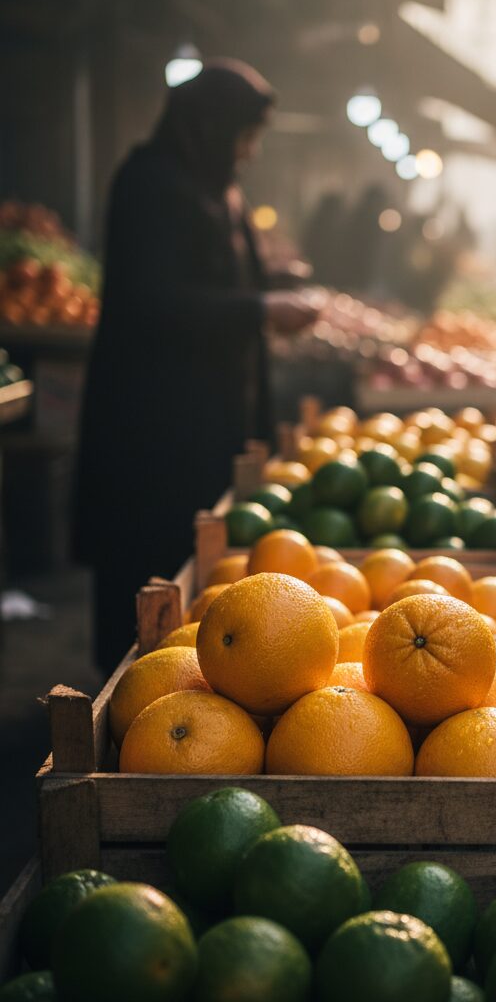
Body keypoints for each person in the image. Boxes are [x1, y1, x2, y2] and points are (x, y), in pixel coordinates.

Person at [74, 60, 320, 674]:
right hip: (148, 427)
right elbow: (152, 298)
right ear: (209, 126)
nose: (250, 152)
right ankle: (124, 709)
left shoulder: (216, 185)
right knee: (141, 572)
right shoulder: (150, 182)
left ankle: (185, 682)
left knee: (191, 569)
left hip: (203, 422)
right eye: (244, 136)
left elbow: (214, 272)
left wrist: (273, 285)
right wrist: (262, 306)